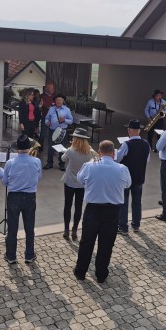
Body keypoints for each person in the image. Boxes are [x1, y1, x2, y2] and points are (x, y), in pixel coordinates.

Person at [74, 140, 132, 283]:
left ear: (99, 152)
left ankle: (81, 271)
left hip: (93, 209)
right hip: (113, 211)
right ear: (114, 153)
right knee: (106, 243)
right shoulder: (122, 168)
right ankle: (101, 274)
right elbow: (127, 184)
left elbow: (80, 180)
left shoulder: (89, 166)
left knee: (87, 241)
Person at [3, 135, 42, 264]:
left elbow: (4, 182)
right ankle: (29, 255)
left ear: (17, 149)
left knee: (12, 228)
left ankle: (11, 256)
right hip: (30, 196)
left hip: (14, 196)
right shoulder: (36, 161)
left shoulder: (10, 163)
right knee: (29, 227)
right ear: (29, 148)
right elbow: (38, 177)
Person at [116, 119, 151, 233]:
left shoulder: (126, 144)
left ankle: (123, 226)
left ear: (129, 130)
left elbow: (118, 159)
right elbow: (147, 160)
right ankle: (136, 224)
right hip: (139, 176)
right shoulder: (146, 144)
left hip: (126, 177)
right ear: (139, 131)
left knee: (124, 202)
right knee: (137, 201)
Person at [61, 127, 95, 240]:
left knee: (67, 205)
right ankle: (74, 230)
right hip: (82, 183)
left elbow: (63, 159)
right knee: (78, 207)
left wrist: (67, 149)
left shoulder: (70, 151)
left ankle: (66, 229)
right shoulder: (89, 152)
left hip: (70, 182)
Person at [44, 93, 73, 171]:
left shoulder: (67, 109)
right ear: (55, 101)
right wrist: (47, 122)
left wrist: (64, 120)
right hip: (52, 130)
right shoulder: (51, 109)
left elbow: (71, 121)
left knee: (62, 148)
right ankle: (49, 163)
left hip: (63, 131)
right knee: (51, 147)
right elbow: (47, 118)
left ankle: (62, 164)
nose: (59, 101)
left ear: (63, 101)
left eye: (60, 100)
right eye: (57, 100)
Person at [39, 82, 55, 150]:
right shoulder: (42, 96)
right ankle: (40, 148)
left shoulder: (54, 96)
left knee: (52, 134)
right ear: (46, 89)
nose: (53, 89)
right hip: (45, 118)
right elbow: (46, 107)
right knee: (43, 134)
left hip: (53, 119)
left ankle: (51, 148)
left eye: (53, 88)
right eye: (51, 88)